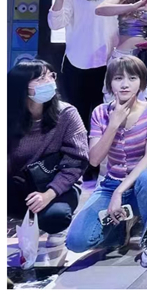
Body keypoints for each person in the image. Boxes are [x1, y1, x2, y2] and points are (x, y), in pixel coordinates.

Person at [65, 56, 147, 267]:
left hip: (144, 184)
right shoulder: (100, 113)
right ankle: (120, 230)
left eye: (132, 78)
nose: (125, 84)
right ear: (110, 82)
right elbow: (94, 159)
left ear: (142, 81)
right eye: (119, 78)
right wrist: (113, 124)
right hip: (110, 184)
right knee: (76, 241)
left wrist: (119, 192)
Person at [8, 60, 88, 241]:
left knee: (55, 217)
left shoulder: (67, 114)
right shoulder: (8, 116)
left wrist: (48, 195)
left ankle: (51, 223)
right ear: (22, 86)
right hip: (19, 184)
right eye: (41, 78)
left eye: (51, 76)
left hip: (57, 185)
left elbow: (76, 162)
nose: (50, 82)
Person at [47, 0, 118, 146]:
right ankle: (77, 155)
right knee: (77, 115)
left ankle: (100, 157)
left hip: (107, 63)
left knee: (104, 115)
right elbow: (55, 24)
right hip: (77, 63)